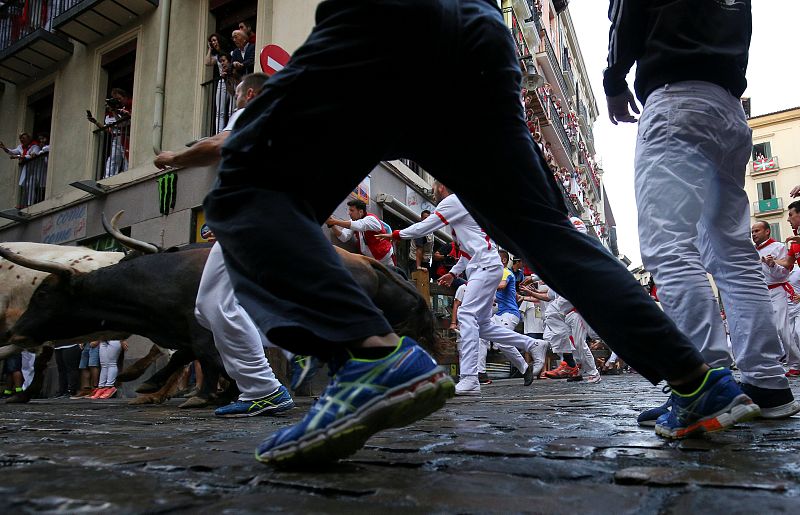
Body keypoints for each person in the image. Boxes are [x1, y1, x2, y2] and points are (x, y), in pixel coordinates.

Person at [204, 0, 759, 467]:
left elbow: (426, 223)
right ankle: (695, 378)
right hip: (479, 33)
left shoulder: (440, 207)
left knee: (246, 190)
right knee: (545, 235)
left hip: (382, 19)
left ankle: (369, 355)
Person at [605, 0, 798, 427]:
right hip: (729, 108)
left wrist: (614, 81)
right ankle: (767, 383)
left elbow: (625, 16)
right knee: (732, 251)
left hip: (677, 100)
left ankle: (706, 384)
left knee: (669, 245)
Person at [156, 73, 295, 418]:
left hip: (251, 216)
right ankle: (270, 375)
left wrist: (174, 157)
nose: (234, 100)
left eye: (235, 94)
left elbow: (218, 147)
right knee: (209, 305)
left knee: (217, 302)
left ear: (249, 93)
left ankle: (265, 387)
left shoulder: (252, 110)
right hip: (255, 216)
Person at [381, 182, 539, 395]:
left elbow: (426, 225)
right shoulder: (461, 212)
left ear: (443, 187)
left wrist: (397, 235)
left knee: (465, 314)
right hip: (484, 265)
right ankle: (532, 344)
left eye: (436, 185)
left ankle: (470, 379)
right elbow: (466, 254)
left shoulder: (452, 202)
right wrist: (453, 273)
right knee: (482, 325)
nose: (434, 189)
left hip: (484, 266)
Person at [475, 249, 536, 385]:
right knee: (481, 336)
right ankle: (481, 373)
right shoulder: (494, 275)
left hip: (509, 314)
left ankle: (525, 368)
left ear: (502, 261)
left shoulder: (505, 272)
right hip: (499, 315)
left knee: (502, 342)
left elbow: (502, 286)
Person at [751, 222, 800, 376]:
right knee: (761, 330)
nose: (753, 234)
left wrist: (772, 265)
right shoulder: (752, 251)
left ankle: (796, 364)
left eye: (757, 230)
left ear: (767, 231)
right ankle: (769, 362)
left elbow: (784, 275)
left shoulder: (778, 247)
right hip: (759, 293)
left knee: (782, 328)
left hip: (777, 291)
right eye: (752, 231)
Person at [327, 200, 395, 267]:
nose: (349, 213)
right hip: (371, 261)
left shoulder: (371, 219)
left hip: (386, 259)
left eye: (352, 210)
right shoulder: (354, 222)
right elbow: (344, 237)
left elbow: (359, 226)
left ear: (360, 212)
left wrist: (334, 221)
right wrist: (332, 225)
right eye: (349, 210)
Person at [206, 33, 236, 133]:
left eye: (215, 40)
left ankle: (230, 131)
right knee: (220, 111)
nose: (214, 43)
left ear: (219, 40)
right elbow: (207, 62)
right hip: (222, 82)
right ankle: (219, 133)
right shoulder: (216, 56)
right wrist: (209, 49)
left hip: (231, 81)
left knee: (231, 109)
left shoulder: (231, 52)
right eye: (212, 41)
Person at [1, 132, 40, 206]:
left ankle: (30, 204)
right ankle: (26, 203)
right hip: (27, 169)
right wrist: (4, 148)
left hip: (35, 169)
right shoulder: (20, 147)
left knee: (31, 184)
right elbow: (12, 152)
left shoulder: (35, 146)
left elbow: (33, 155)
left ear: (29, 139)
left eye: (23, 138)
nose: (22, 140)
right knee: (26, 185)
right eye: (21, 138)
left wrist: (18, 156)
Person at [408, 209, 434, 277]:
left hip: (425, 261)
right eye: (425, 218)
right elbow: (419, 249)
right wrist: (418, 266)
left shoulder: (429, 230)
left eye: (429, 218)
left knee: (425, 283)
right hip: (416, 261)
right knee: (417, 281)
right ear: (421, 218)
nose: (427, 220)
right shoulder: (420, 230)